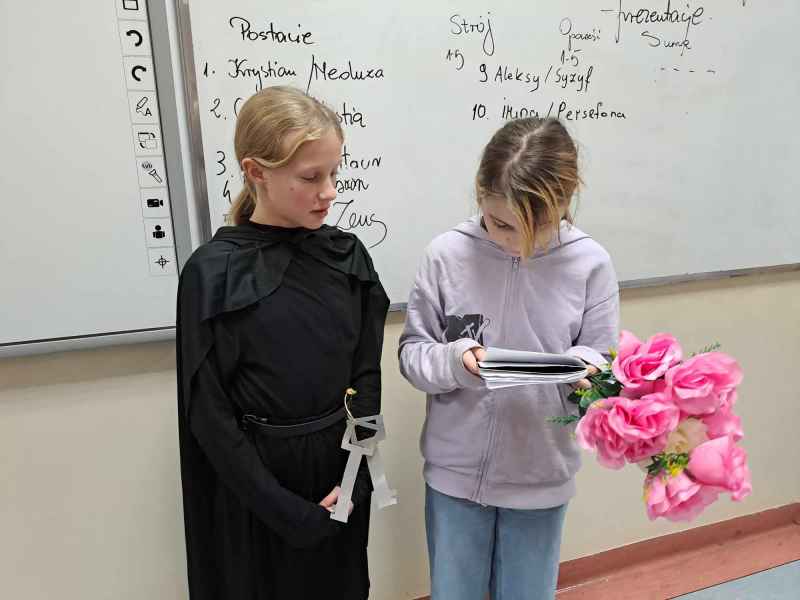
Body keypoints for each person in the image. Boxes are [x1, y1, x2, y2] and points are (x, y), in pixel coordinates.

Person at [176, 85, 389, 600]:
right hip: (257, 490)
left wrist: (357, 473)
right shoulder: (213, 274)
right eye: (311, 178)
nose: (329, 192)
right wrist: (285, 511)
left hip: (338, 472)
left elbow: (365, 376)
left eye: (334, 174)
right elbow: (208, 414)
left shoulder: (347, 257)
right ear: (256, 172)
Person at [398, 117, 619, 600]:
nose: (517, 244)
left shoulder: (591, 264)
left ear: (566, 200)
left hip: (541, 474)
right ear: (480, 194)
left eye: (538, 228)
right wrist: (458, 361)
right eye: (501, 225)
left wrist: (586, 371)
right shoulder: (446, 255)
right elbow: (413, 355)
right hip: (455, 476)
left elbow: (605, 368)